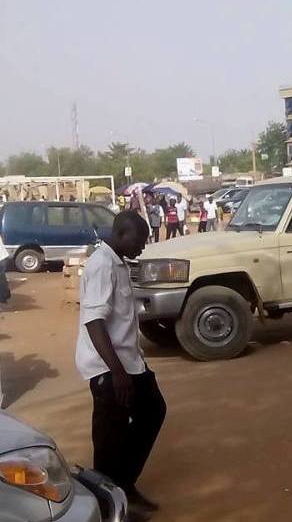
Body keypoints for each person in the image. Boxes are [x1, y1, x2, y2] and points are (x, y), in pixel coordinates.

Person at [75, 211, 166, 516]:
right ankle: (108, 505)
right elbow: (94, 322)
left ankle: (123, 484)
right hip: (109, 368)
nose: (143, 246)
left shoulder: (119, 262)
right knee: (108, 439)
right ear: (122, 234)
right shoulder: (102, 265)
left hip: (129, 362)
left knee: (153, 410)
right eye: (140, 240)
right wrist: (116, 372)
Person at [0, 232, 10, 305]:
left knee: (1, 279)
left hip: (1, 258)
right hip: (3, 257)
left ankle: (4, 296)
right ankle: (4, 297)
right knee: (2, 278)